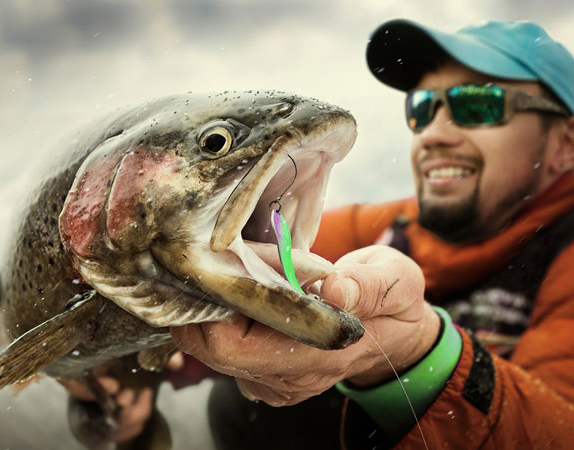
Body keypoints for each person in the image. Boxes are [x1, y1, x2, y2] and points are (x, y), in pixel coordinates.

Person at [63, 19, 574, 449]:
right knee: (244, 403)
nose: (434, 133)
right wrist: (137, 371)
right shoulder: (382, 226)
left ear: (566, 144)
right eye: (422, 107)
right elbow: (218, 269)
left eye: (477, 104)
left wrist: (420, 352)